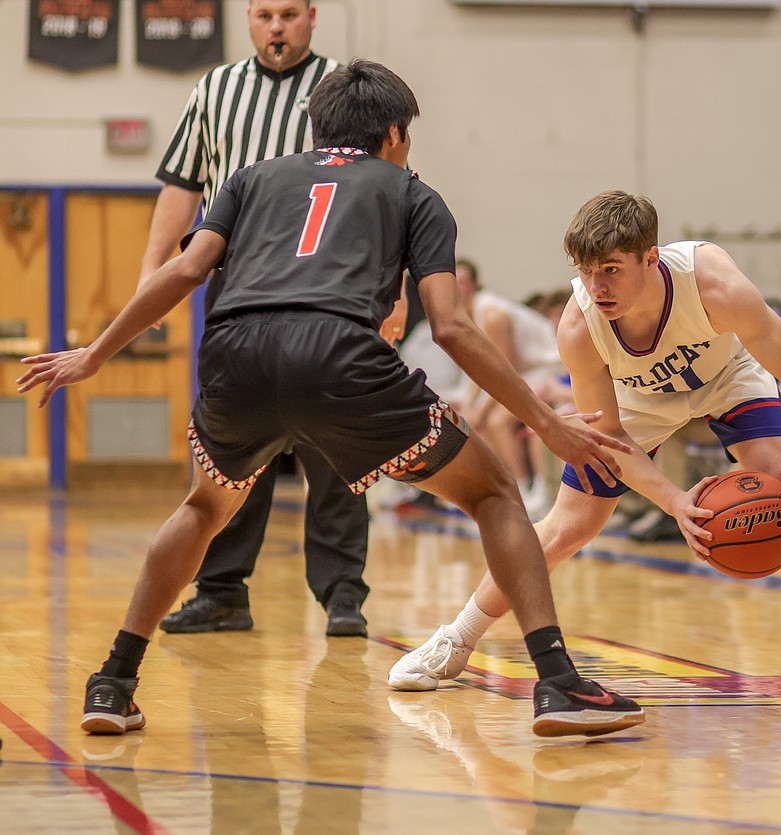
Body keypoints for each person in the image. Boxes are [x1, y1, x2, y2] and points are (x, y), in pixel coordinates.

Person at [18, 59, 644, 739]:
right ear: (397, 135)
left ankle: (113, 680)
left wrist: (95, 354)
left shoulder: (250, 178)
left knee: (203, 507)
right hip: (340, 355)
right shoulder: (413, 192)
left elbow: (187, 269)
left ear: (314, 129)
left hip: (236, 352)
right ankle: (556, 682)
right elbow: (454, 327)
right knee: (494, 492)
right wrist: (547, 423)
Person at [388, 190, 781, 704]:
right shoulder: (578, 326)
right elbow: (611, 436)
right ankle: (457, 640)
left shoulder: (714, 284)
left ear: (651, 257)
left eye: (610, 270)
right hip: (637, 399)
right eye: (584, 270)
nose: (595, 286)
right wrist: (674, 501)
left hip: (728, 375)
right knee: (568, 526)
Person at [142, 0, 370, 637]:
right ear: (248, 18)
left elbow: (384, 184)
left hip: (332, 287)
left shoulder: (341, 90)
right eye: (265, 14)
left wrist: (396, 288)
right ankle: (221, 591)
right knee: (230, 440)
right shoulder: (216, 88)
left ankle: (343, 592)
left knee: (337, 441)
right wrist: (151, 270)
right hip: (236, 285)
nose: (277, 27)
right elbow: (183, 184)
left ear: (313, 17)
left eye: (289, 14)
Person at [455, 258, 564, 515]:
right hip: (526, 374)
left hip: (549, 369)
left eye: (461, 282)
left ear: (474, 285)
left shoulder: (492, 314)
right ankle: (508, 485)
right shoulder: (467, 315)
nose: (456, 288)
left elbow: (507, 370)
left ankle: (531, 488)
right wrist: (471, 405)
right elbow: (480, 367)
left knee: (496, 420)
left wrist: (481, 409)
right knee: (477, 418)